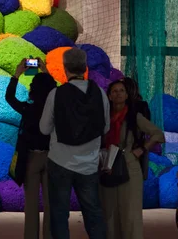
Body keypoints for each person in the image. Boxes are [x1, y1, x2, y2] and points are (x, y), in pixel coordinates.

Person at [39, 48, 109, 239]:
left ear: (65, 68)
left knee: (59, 215)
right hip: (89, 164)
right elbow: (105, 128)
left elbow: (44, 128)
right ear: (85, 67)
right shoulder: (100, 93)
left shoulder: (56, 94)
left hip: (60, 162)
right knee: (93, 214)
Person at [100, 80, 164, 239]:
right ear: (109, 95)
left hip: (129, 165)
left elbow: (158, 134)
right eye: (114, 91)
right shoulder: (104, 117)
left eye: (121, 90)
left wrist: (142, 149)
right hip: (108, 165)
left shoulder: (134, 116)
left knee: (130, 215)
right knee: (109, 215)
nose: (118, 94)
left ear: (127, 95)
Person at [6, 59, 57, 239]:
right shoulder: (56, 109)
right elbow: (57, 93)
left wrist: (17, 73)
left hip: (31, 158)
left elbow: (9, 98)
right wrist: (46, 71)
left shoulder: (28, 109)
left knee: (31, 204)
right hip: (52, 158)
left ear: (33, 89)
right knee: (52, 204)